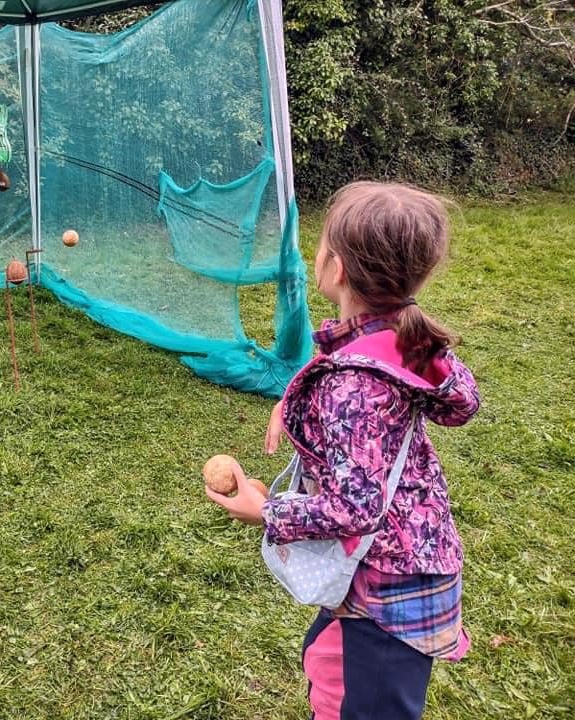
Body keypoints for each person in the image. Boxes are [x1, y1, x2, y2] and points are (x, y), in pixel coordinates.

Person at [206, 181, 481, 720]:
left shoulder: (353, 384)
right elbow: (460, 401)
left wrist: (265, 510)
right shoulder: (398, 339)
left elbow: (354, 509)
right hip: (404, 562)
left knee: (374, 709)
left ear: (335, 269)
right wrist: (296, 399)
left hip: (391, 587)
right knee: (328, 663)